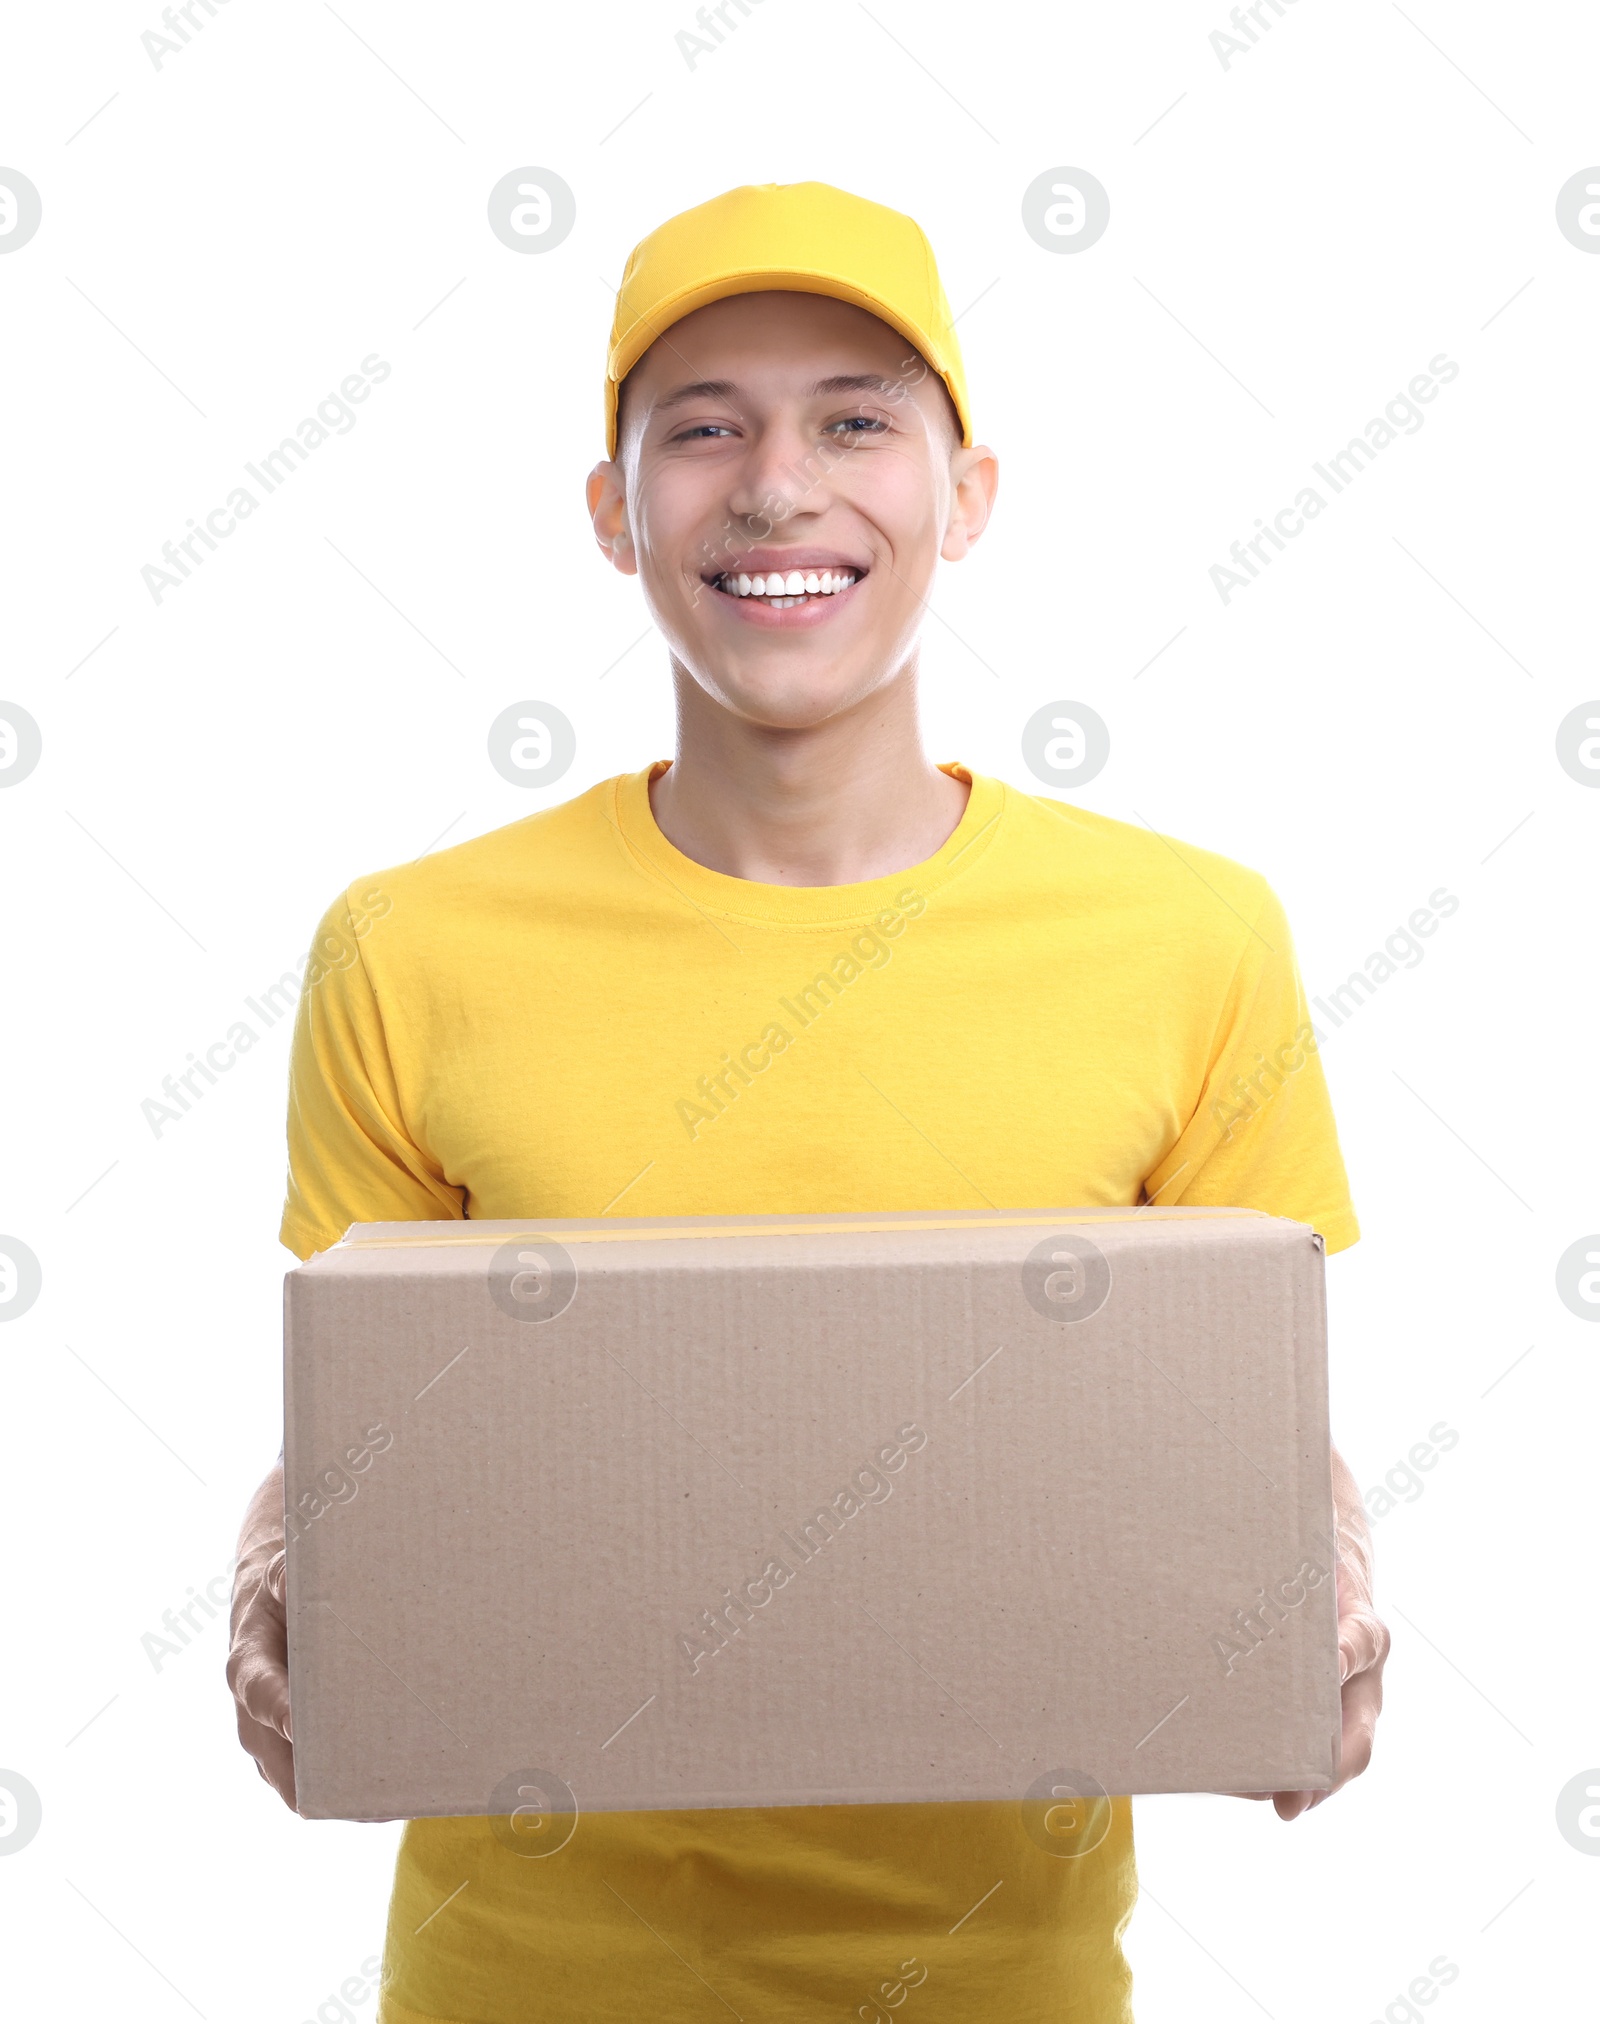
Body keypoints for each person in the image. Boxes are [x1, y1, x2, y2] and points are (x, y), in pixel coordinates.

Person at [228, 180, 1389, 2023]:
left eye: (856, 418)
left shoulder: (1189, 937)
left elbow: (1236, 1399)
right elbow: (375, 1418)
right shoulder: (407, 947)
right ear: (614, 516)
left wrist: (1318, 1569)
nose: (778, 486)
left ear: (967, 493)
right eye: (704, 430)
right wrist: (281, 1570)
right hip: (521, 1981)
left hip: (1006, 1983)